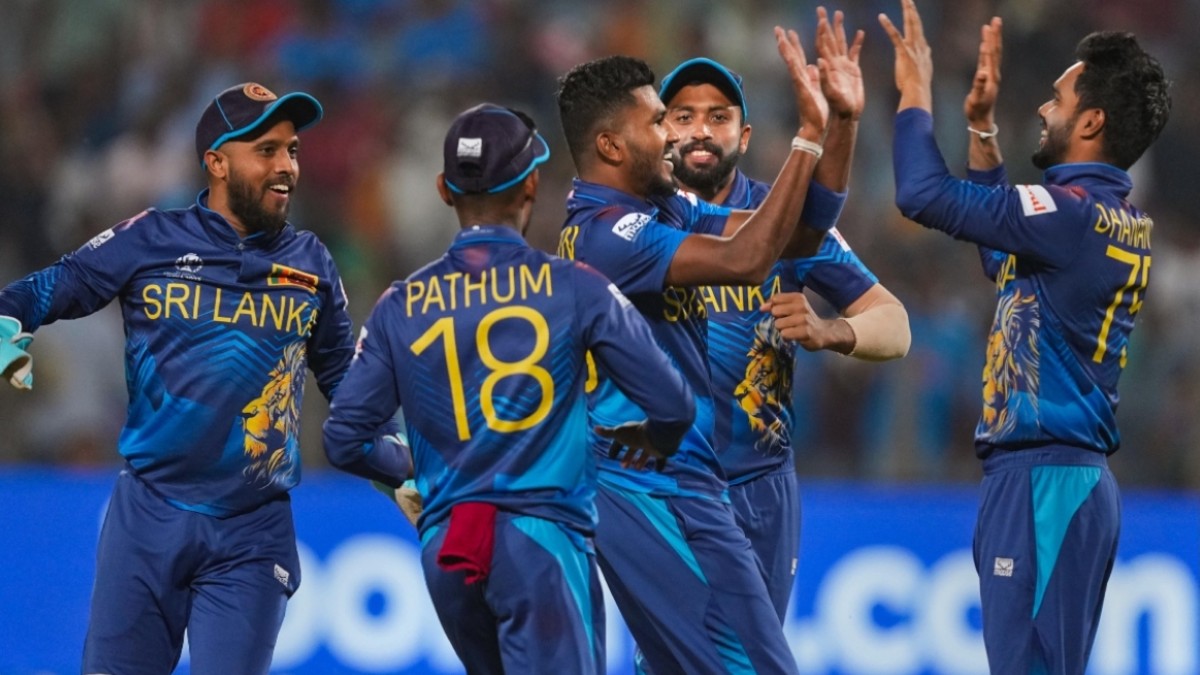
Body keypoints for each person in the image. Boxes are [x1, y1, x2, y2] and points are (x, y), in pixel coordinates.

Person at [0, 82, 411, 674]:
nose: (287, 166)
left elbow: (346, 381)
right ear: (217, 162)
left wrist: (396, 464)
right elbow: (52, 287)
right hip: (149, 517)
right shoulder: (150, 239)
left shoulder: (312, 263)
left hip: (253, 530)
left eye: (292, 150)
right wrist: (8, 321)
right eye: (266, 151)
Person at [322, 103, 695, 675]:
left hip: (449, 546)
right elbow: (673, 403)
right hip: (540, 539)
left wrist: (408, 469)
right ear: (532, 185)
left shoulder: (400, 304)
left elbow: (344, 438)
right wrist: (656, 438)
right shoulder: (577, 287)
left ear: (444, 190)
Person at [879, 1, 1171, 672]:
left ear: (1091, 121)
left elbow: (921, 194)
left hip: (1046, 482)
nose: (1042, 107)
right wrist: (981, 129)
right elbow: (1000, 256)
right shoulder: (1104, 216)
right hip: (1053, 478)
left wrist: (916, 90)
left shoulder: (1069, 217)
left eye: (1057, 98)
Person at [554, 26, 829, 674]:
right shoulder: (610, 234)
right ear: (611, 145)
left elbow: (794, 236)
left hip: (683, 482)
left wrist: (833, 128)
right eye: (659, 122)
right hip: (654, 489)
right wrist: (808, 139)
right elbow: (748, 259)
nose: (673, 137)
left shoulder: (660, 210)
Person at [658, 6, 911, 623]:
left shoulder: (784, 219)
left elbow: (895, 324)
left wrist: (831, 330)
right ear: (659, 132)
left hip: (758, 488)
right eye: (683, 116)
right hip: (664, 487)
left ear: (744, 137)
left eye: (719, 117)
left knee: (749, 656)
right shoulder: (639, 223)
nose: (700, 131)